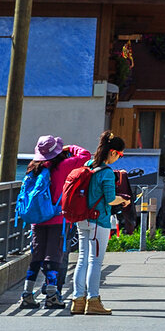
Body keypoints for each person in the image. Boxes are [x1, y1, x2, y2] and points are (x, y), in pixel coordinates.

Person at [15, 135, 81, 311]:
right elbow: (84, 155)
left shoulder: (33, 168)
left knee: (36, 256)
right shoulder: (63, 166)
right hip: (56, 218)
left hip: (36, 219)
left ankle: (27, 295)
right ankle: (52, 295)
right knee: (53, 256)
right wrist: (70, 148)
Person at [66, 133, 123, 315]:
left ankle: (78, 300)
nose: (119, 158)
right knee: (95, 261)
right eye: (120, 155)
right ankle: (93, 300)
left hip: (82, 219)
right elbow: (111, 199)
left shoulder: (88, 166)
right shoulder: (106, 172)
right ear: (112, 152)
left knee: (82, 259)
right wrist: (123, 200)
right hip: (99, 221)